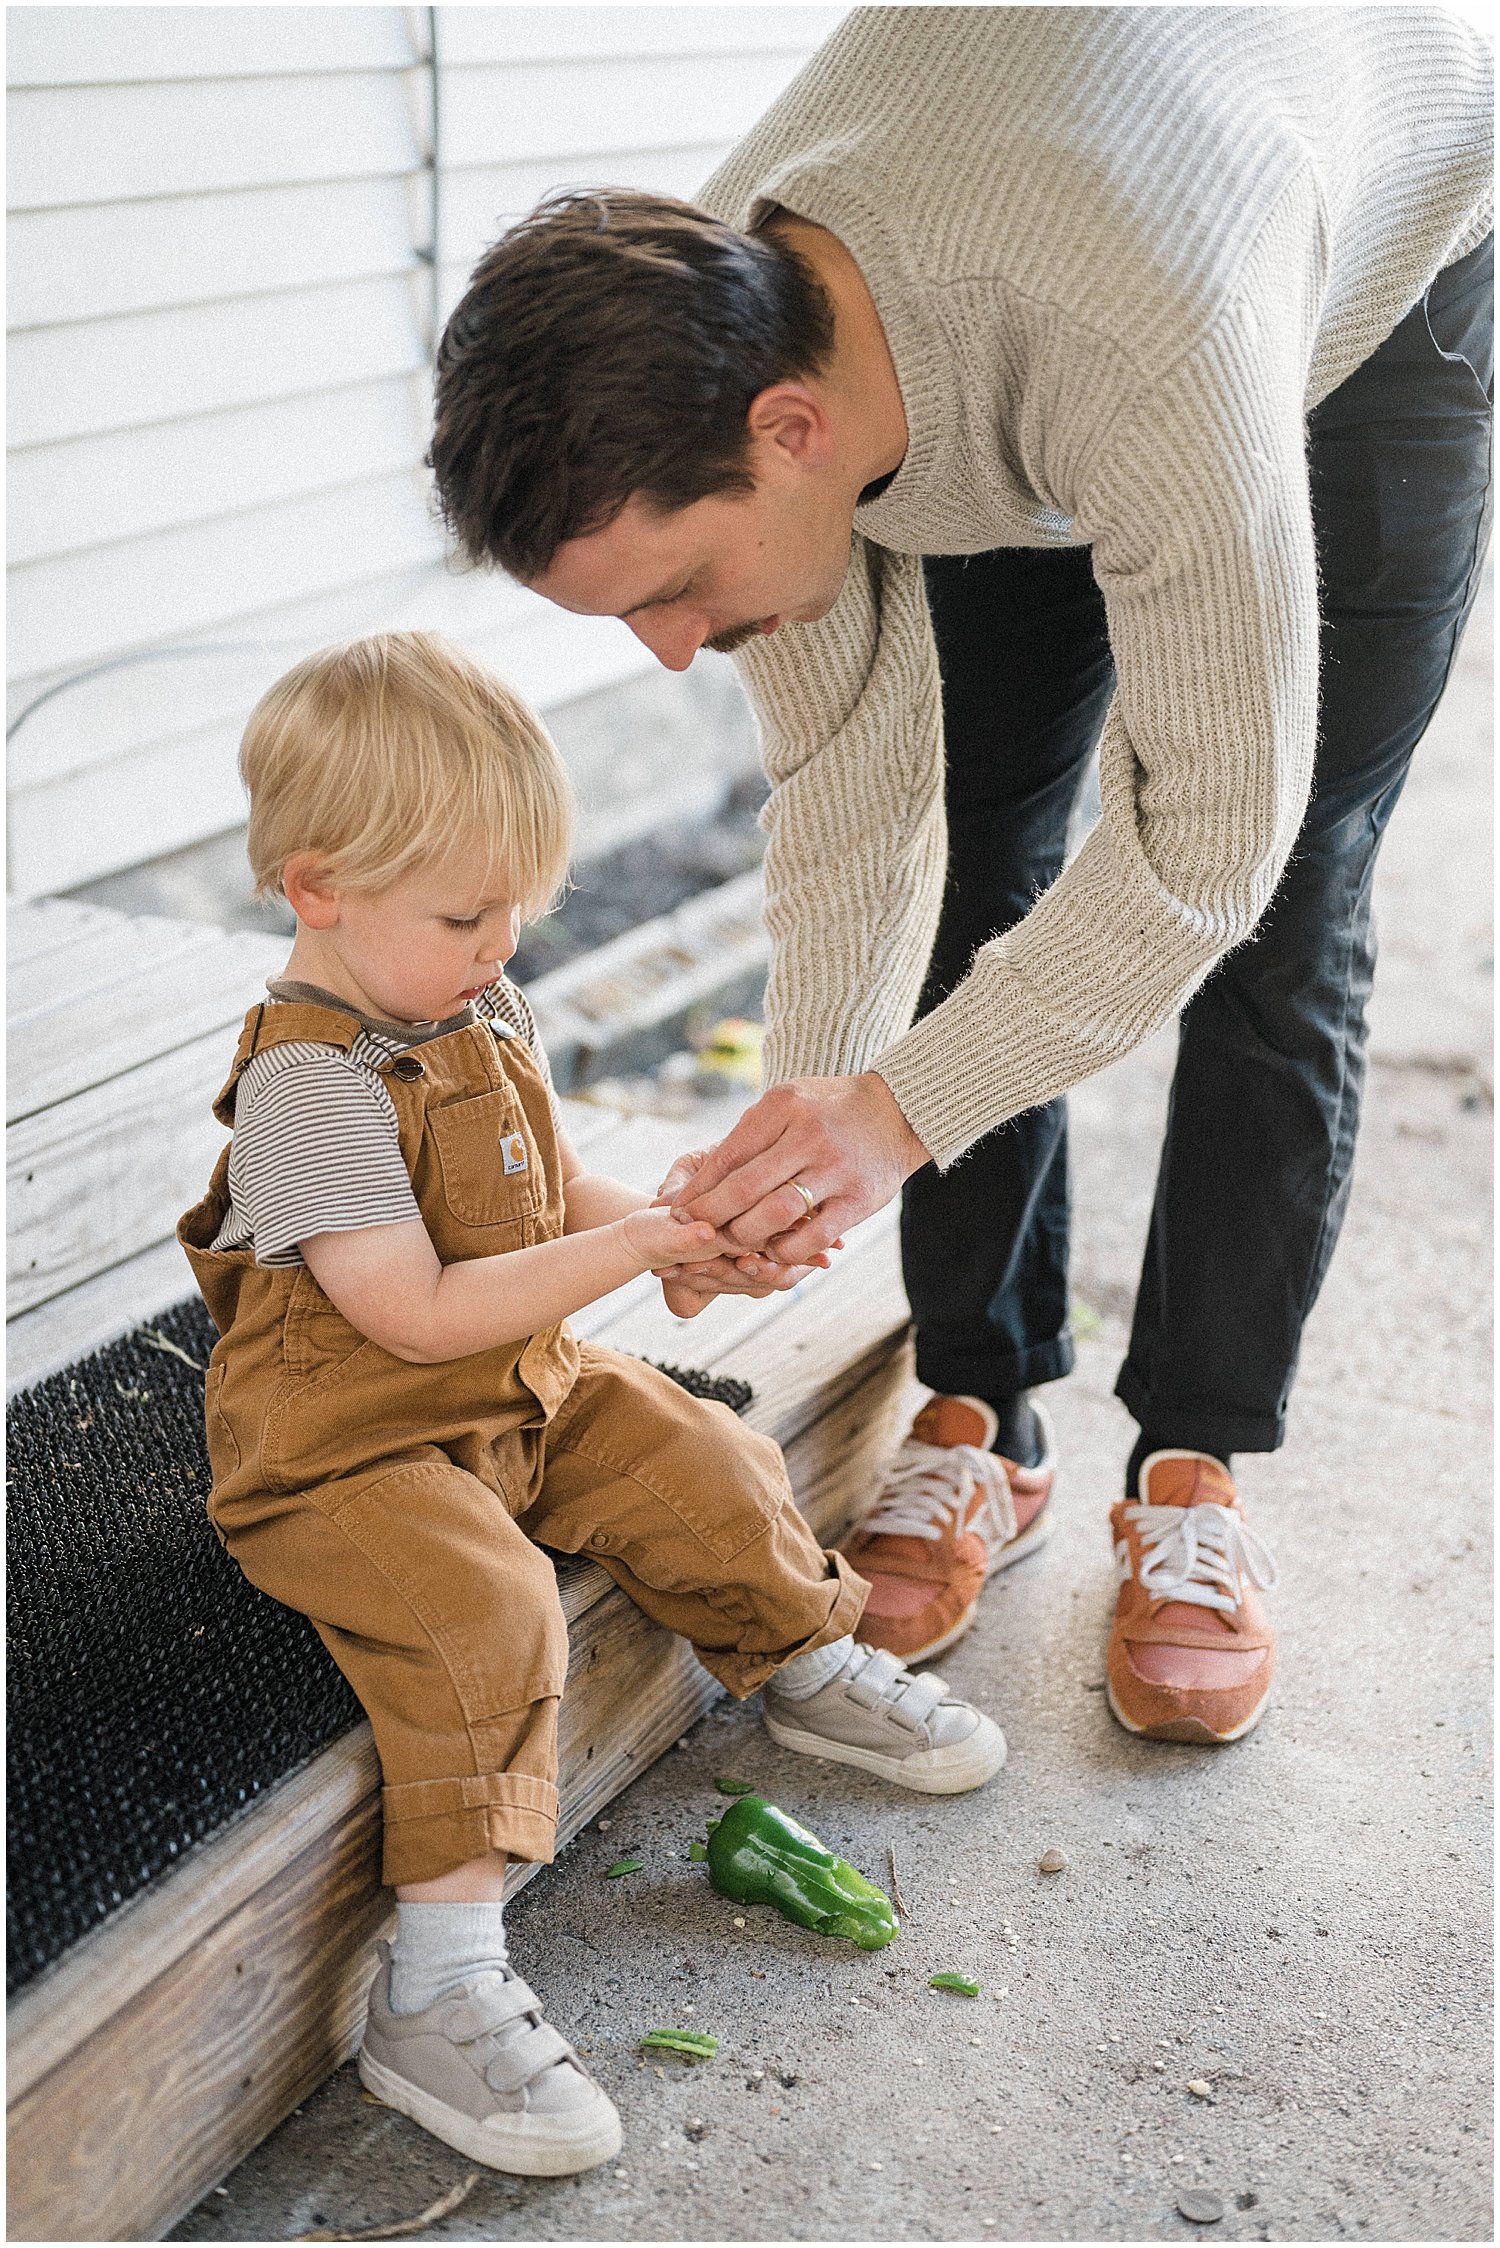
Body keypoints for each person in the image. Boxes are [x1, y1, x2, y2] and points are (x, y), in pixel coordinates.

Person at [428, 7, 1493, 1746]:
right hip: (1037, 229)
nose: (680, 654)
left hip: (1350, 242)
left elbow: (1201, 845)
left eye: (672, 592)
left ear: (786, 428)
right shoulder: (714, 330)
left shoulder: (1133, 347)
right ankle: (981, 1406)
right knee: (985, 838)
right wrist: (804, 1134)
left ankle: (1196, 1470)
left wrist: (894, 1119)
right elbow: (860, 796)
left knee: (1286, 887)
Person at [176, 630, 1005, 2178]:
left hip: (506, 1385)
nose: (503, 944)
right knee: (491, 1614)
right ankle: (437, 1982)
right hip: (345, 1442)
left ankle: (804, 1652)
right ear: (317, 888)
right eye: (466, 913)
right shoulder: (312, 1086)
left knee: (698, 1449)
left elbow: (535, 1182)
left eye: (518, 911)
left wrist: (677, 1236)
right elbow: (405, 1310)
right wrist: (622, 1251)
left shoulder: (464, 1005)